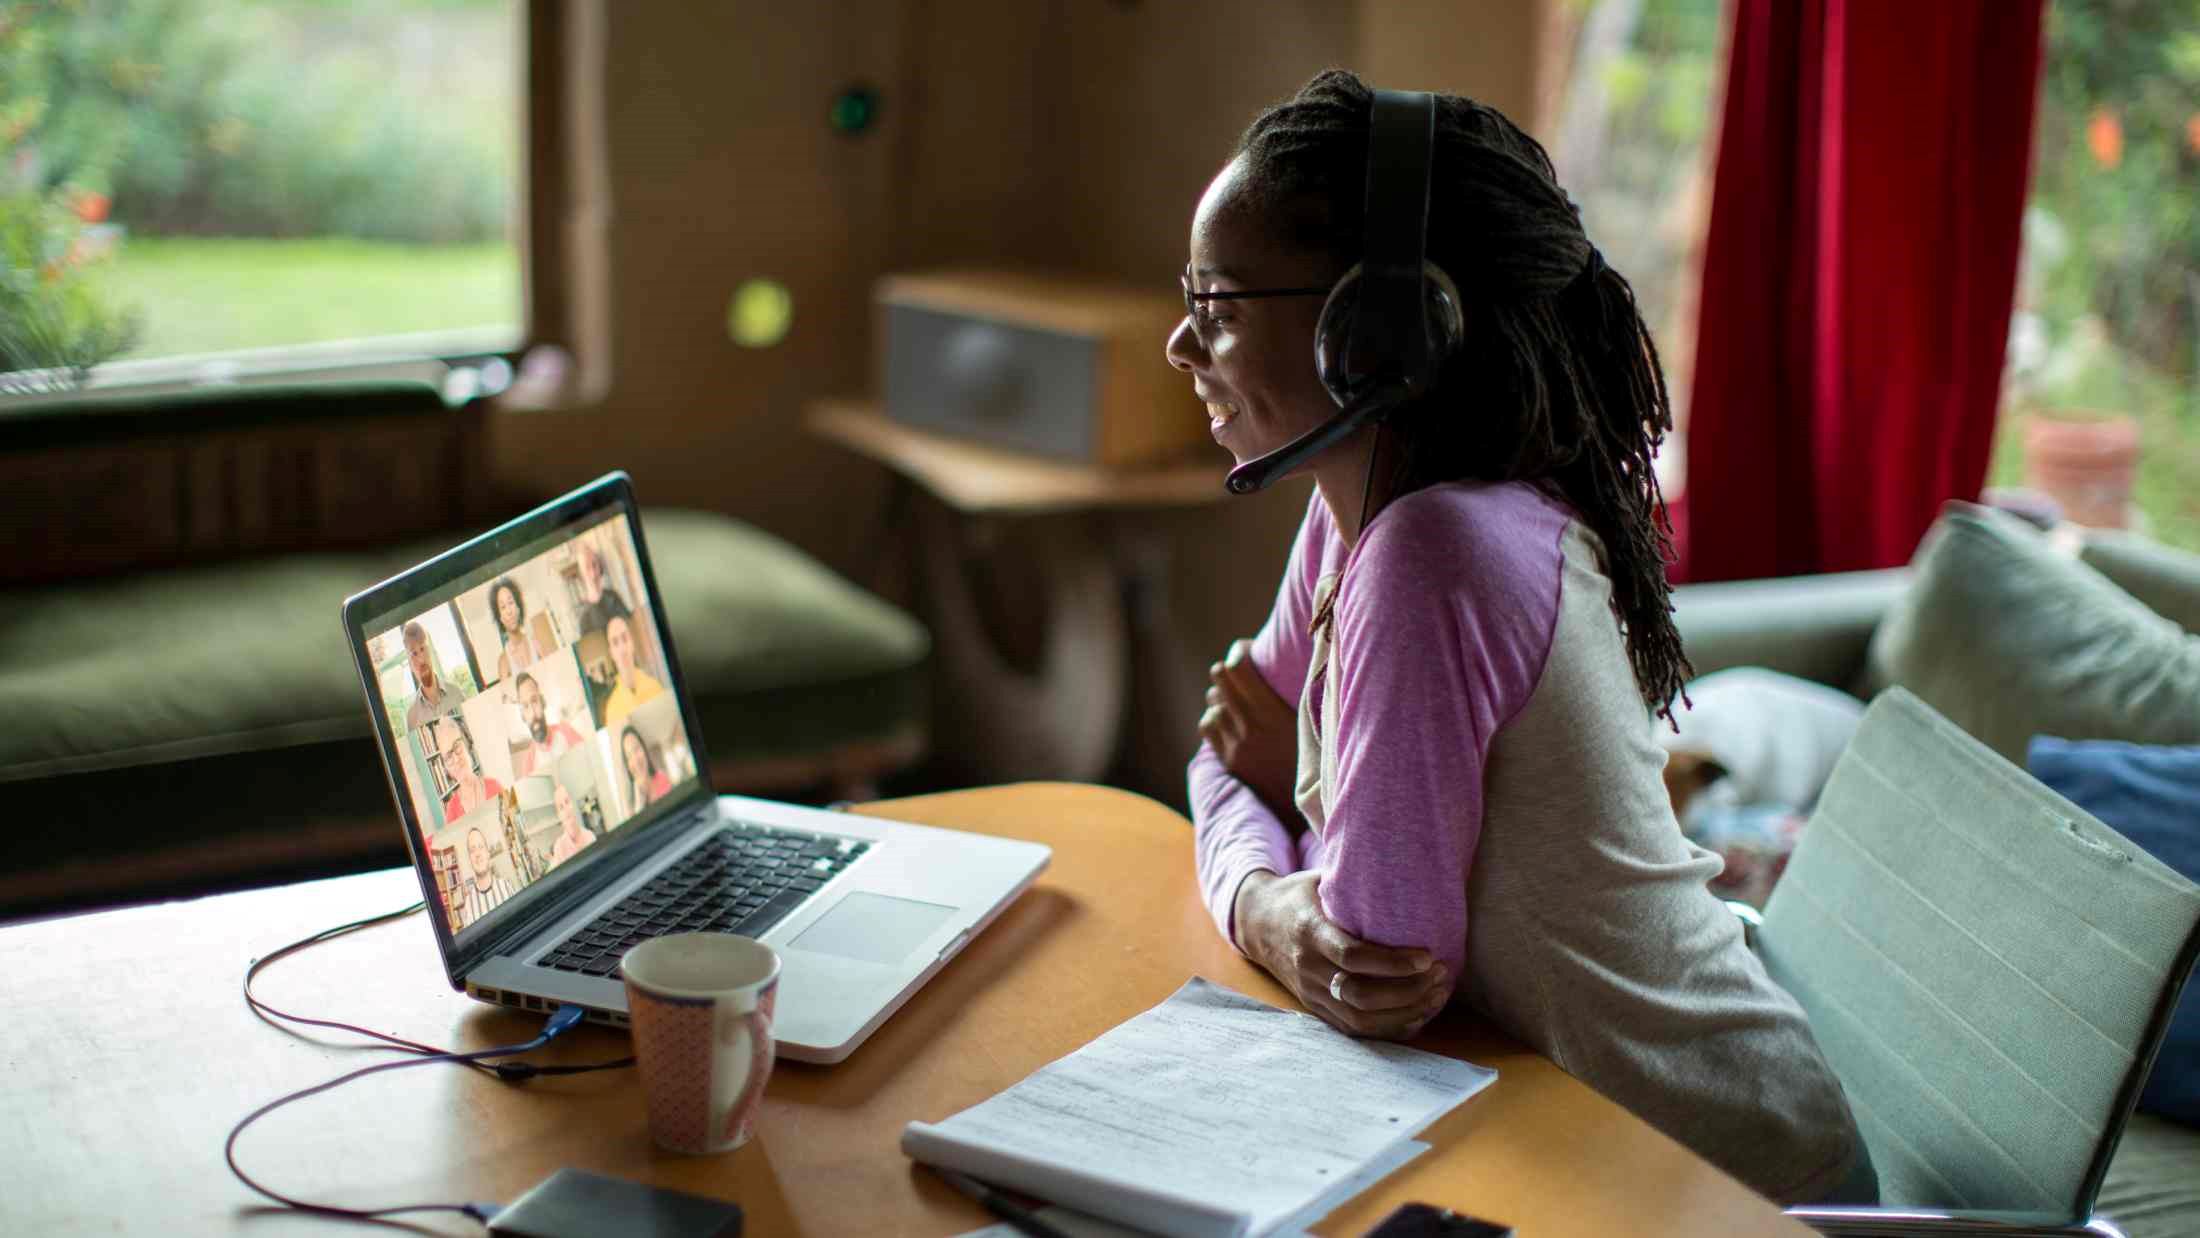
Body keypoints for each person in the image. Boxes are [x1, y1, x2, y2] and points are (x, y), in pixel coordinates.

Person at [1174, 72, 1870, 1206]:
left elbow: (1378, 961)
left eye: (1218, 306)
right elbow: (1217, 747)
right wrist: (1271, 881)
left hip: (1719, 1172)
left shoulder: (1431, 550)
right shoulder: (1357, 509)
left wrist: (1269, 856)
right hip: (1556, 1118)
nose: (1179, 344)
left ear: (1376, 330)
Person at [511, 672, 585, 778]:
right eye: (526, 706)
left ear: (543, 703)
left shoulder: (565, 731)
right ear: (523, 716)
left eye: (534, 701)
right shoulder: (528, 764)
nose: (532, 714)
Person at [598, 614, 664, 730]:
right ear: (612, 653)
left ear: (632, 643)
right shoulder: (612, 710)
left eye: (625, 638)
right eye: (615, 642)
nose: (622, 649)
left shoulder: (656, 688)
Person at [436, 720, 503, 823]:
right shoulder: (451, 810)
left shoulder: (495, 786)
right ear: (446, 769)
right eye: (448, 757)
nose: (456, 759)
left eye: (457, 746)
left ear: (467, 743)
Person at [401, 621, 461, 731]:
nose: (421, 659)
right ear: (410, 664)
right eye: (414, 653)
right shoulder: (411, 718)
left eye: (422, 649)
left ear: (430, 651)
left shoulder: (456, 694)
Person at [454, 826, 519, 928]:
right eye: (472, 850)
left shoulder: (506, 886)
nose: (477, 854)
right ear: (470, 859)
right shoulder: (469, 904)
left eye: (481, 847)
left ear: (488, 853)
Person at [574, 541, 632, 639]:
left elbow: (630, 625)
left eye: (594, 565)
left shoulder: (613, 596)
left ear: (599, 567)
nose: (593, 573)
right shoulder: (583, 617)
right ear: (581, 574)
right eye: (587, 567)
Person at [489, 577, 539, 680]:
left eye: (511, 602)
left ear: (518, 608)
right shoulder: (503, 662)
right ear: (500, 618)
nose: (509, 611)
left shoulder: (536, 643)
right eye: (503, 607)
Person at [620, 725, 672, 812]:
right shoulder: (631, 807)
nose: (635, 760)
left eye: (636, 749)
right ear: (627, 766)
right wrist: (639, 804)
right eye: (629, 756)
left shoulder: (662, 779)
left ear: (644, 749)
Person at [546, 779, 596, 868]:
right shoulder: (560, 847)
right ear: (559, 816)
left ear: (572, 803)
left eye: (567, 801)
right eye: (561, 807)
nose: (566, 809)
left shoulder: (590, 837)